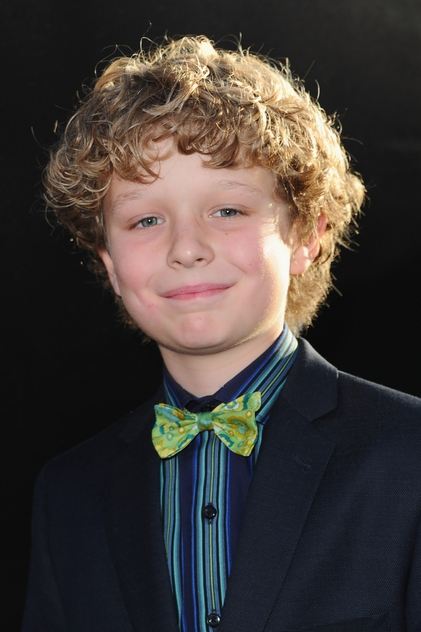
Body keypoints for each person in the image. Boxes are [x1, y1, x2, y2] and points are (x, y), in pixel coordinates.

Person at [22, 35, 421, 632]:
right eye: (145, 219)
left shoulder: (409, 455)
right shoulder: (67, 494)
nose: (185, 248)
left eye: (227, 210)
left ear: (306, 237)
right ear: (111, 265)